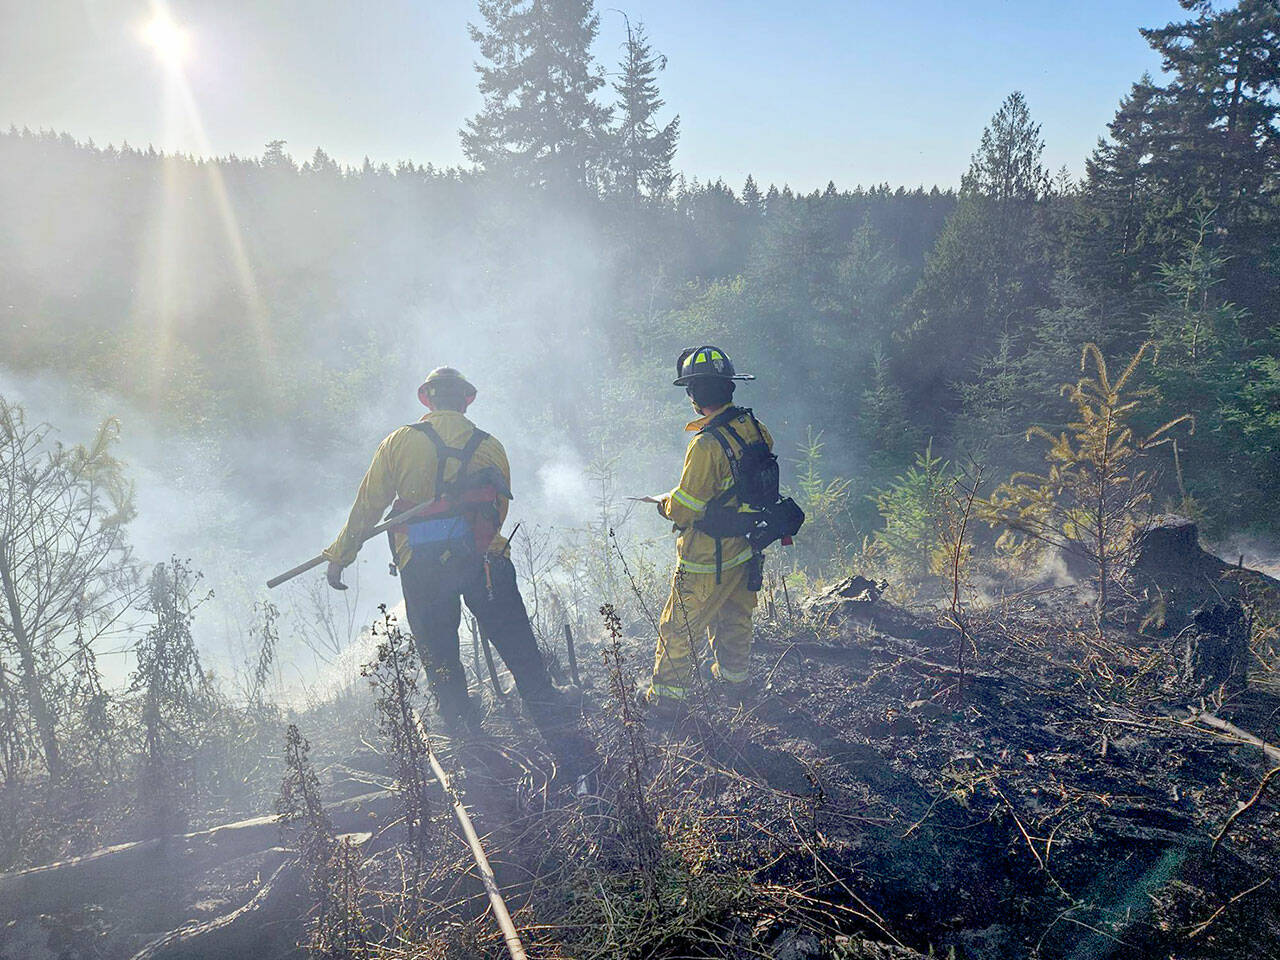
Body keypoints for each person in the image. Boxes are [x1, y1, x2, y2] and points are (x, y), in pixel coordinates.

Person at [323, 367, 571, 739]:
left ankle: (465, 732)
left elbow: (368, 506)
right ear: (465, 401)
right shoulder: (489, 445)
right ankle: (547, 710)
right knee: (516, 640)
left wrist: (341, 554)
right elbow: (499, 507)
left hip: (421, 567)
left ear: (428, 399)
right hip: (485, 560)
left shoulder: (399, 442)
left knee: (439, 653)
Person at [640, 346, 777, 709]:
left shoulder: (705, 445)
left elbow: (686, 508)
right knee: (735, 619)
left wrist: (665, 504)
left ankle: (666, 701)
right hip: (746, 548)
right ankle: (735, 684)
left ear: (695, 395)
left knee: (679, 627)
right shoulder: (754, 427)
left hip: (707, 557)